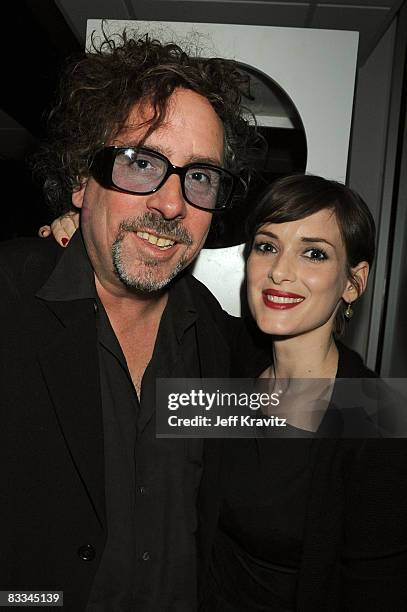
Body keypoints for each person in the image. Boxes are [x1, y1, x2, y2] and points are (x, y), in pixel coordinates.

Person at [0, 30, 263, 611]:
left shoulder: (214, 335)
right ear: (79, 180)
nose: (171, 204)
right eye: (140, 163)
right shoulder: (12, 301)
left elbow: (331, 419)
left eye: (199, 176)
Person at [198, 175, 407, 611]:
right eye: (267, 246)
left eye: (314, 253)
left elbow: (376, 591)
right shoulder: (229, 359)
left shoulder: (377, 420)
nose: (280, 271)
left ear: (353, 282)